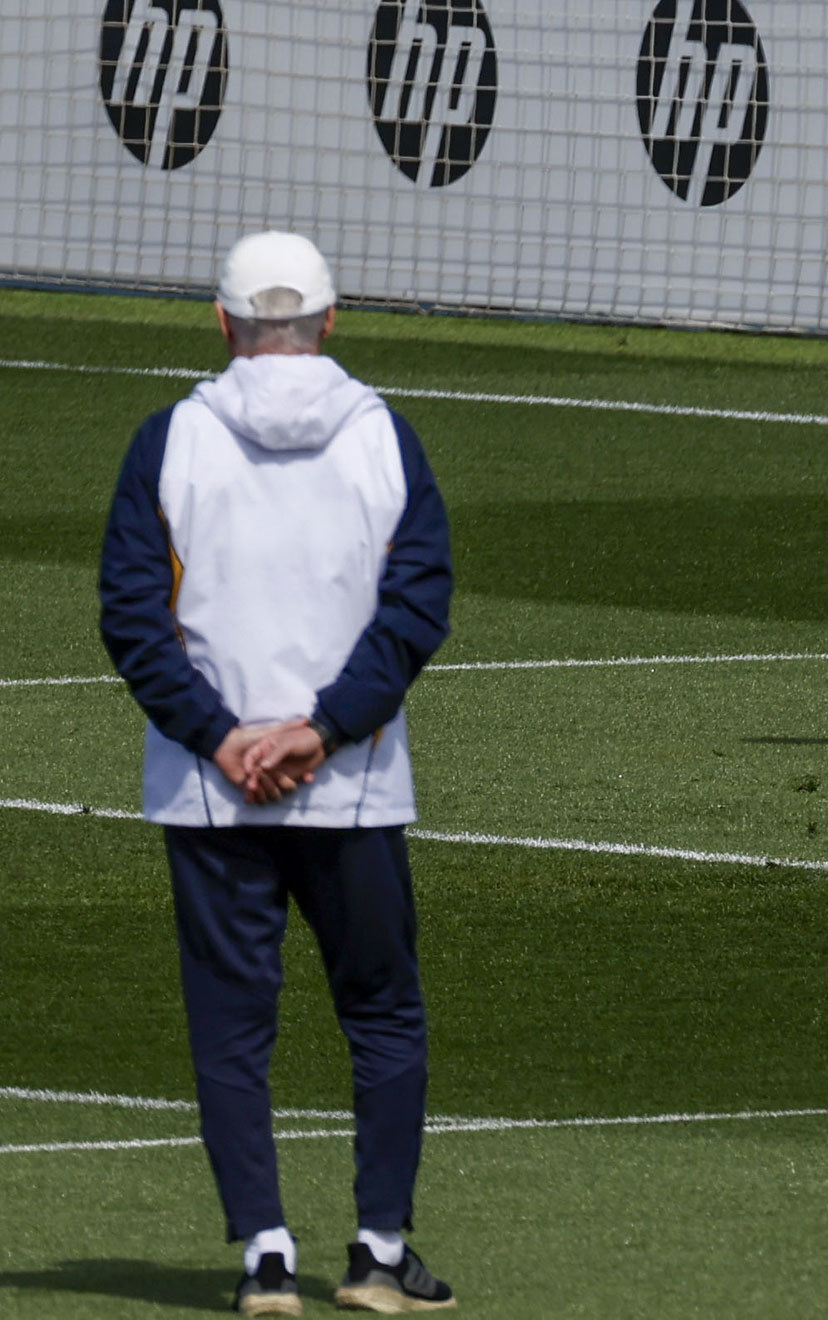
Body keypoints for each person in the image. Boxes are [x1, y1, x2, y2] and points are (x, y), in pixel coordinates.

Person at [98, 231, 457, 1314]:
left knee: (231, 1027)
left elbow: (133, 615)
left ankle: (263, 1259)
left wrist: (219, 737)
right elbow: (418, 603)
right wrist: (324, 730)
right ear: (332, 322)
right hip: (353, 788)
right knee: (383, 1013)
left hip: (211, 794)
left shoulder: (172, 440)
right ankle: (381, 1256)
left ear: (223, 323)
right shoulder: (385, 437)